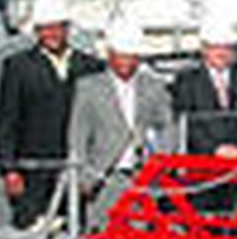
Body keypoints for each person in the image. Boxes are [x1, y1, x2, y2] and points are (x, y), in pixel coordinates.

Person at [0, 0, 102, 228]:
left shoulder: (91, 67)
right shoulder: (18, 67)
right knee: (32, 235)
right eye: (45, 28)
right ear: (36, 31)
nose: (52, 34)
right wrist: (9, 169)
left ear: (67, 28)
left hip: (76, 170)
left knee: (75, 233)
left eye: (57, 27)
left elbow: (99, 121)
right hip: (32, 172)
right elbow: (7, 121)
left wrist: (93, 170)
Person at [68, 16, 176, 216]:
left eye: (132, 56)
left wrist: (164, 162)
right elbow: (78, 134)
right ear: (110, 55)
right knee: (105, 231)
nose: (127, 62)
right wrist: (82, 176)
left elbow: (167, 125)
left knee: (142, 232)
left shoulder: (154, 86)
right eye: (122, 56)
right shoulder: (89, 88)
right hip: (104, 176)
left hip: (143, 176)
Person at [172, 12, 237, 158]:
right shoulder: (187, 82)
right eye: (215, 47)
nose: (222, 52)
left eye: (226, 47)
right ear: (204, 49)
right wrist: (213, 150)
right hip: (200, 164)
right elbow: (186, 124)